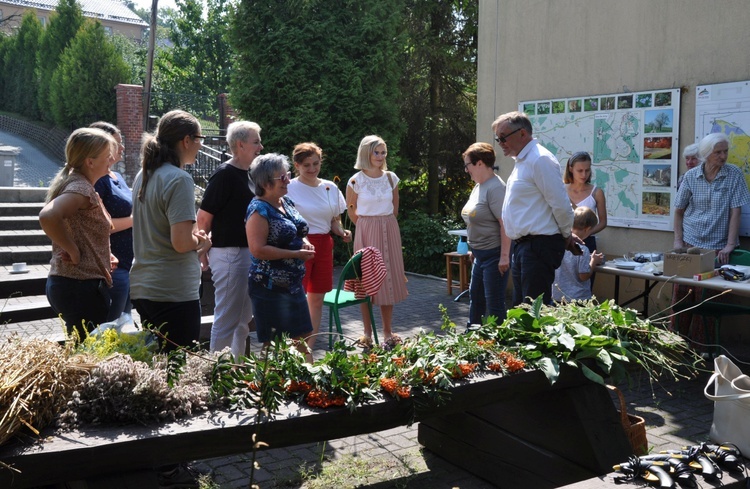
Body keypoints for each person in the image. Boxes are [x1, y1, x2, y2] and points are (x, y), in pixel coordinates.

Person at [130, 110, 211, 353]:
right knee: (177, 368)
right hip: (173, 291)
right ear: (186, 140)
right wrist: (202, 242)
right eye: (199, 139)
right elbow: (181, 242)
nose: (200, 146)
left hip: (145, 286)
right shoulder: (179, 179)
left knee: (157, 366)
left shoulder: (143, 175)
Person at [671, 133, 750, 348]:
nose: (723, 156)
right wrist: (678, 241)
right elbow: (678, 212)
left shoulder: (733, 175)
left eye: (725, 151)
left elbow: (736, 211)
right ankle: (675, 344)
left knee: (708, 297)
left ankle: (701, 348)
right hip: (690, 245)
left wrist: (730, 245)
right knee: (682, 294)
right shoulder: (691, 177)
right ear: (706, 154)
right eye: (718, 152)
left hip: (717, 248)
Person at [39, 128, 117, 339]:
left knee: (84, 353)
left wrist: (102, 254)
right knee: (87, 358)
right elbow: (48, 216)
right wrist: (72, 250)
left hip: (77, 285)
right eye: (107, 155)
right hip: (80, 287)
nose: (112, 159)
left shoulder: (80, 185)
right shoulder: (81, 188)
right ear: (90, 162)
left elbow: (81, 229)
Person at [492, 111, 575, 306]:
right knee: (522, 312)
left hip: (538, 246)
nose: (500, 143)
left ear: (522, 134)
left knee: (534, 314)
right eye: (498, 139)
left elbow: (561, 204)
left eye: (503, 137)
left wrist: (566, 235)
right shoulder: (523, 161)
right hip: (524, 247)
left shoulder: (540, 159)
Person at [197, 121, 262, 360]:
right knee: (226, 318)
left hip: (249, 253)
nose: (261, 147)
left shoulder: (253, 174)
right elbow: (203, 218)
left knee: (244, 320)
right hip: (229, 253)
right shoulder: (224, 174)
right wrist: (202, 252)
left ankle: (236, 370)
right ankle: (217, 372)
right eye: (256, 142)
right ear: (240, 144)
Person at [245, 153, 315, 353]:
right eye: (282, 177)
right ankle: (273, 384)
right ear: (265, 182)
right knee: (275, 346)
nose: (288, 180)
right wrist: (295, 254)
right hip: (269, 286)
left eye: (288, 175)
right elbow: (257, 250)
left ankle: (304, 382)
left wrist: (305, 242)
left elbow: (298, 230)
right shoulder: (259, 209)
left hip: (293, 285)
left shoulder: (286, 202)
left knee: (303, 337)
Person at [287, 142, 352, 353]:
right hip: (299, 246)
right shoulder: (288, 187)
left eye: (316, 163)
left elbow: (334, 220)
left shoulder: (330, 187)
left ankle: (308, 350)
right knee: (296, 299)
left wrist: (342, 231)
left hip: (324, 245)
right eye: (307, 165)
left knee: (316, 299)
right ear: (297, 165)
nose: (313, 169)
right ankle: (293, 349)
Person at [346, 135, 408, 349]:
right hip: (366, 231)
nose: (380, 156)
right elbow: (351, 210)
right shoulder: (356, 180)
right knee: (365, 280)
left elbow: (396, 207)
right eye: (376, 152)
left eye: (383, 152)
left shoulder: (391, 178)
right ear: (366, 153)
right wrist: (367, 226)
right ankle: (366, 333)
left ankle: (388, 331)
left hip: (389, 229)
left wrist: (384, 223)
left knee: (387, 278)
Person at [460, 142, 511, 327]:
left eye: (468, 165)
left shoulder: (496, 188)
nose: (466, 170)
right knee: (476, 299)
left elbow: (505, 224)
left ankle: (499, 346)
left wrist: (504, 257)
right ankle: (472, 337)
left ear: (480, 163)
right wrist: (474, 249)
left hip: (494, 255)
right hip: (479, 255)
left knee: (494, 303)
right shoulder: (478, 187)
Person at [90, 121, 133, 323]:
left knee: (123, 325)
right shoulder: (97, 181)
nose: (122, 148)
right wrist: (135, 220)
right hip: (112, 268)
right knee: (111, 327)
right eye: (117, 144)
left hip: (126, 263)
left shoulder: (116, 176)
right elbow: (96, 224)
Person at [552, 207, 604, 302]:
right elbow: (583, 276)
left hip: (557, 295)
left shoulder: (559, 244)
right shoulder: (582, 249)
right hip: (577, 298)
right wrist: (593, 261)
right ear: (588, 229)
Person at [564, 151, 607, 254]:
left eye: (587, 170)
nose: (584, 175)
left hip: (587, 242)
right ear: (571, 169)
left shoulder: (596, 192)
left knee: (586, 269)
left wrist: (586, 233)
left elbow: (603, 222)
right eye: (580, 170)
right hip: (565, 240)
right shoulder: (561, 190)